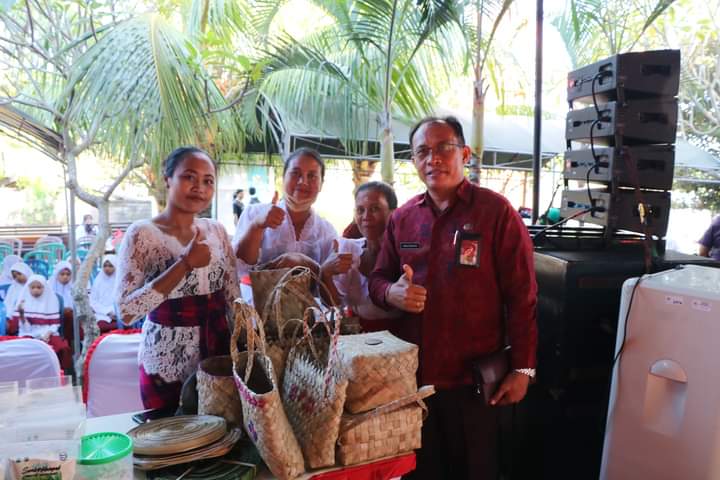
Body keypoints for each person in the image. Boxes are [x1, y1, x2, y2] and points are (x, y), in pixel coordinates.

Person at [368, 116, 538, 479]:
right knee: (421, 471)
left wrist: (523, 368)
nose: (433, 159)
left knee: (475, 470)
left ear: (464, 153)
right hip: (415, 382)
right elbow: (378, 279)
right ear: (413, 161)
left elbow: (522, 295)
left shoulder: (496, 213)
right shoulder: (403, 219)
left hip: (474, 383)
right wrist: (391, 293)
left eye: (443, 148)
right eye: (422, 152)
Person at [116, 146, 240, 411]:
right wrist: (184, 264)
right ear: (167, 178)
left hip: (218, 353)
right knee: (169, 442)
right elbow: (126, 312)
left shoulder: (217, 231)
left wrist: (243, 345)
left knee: (219, 438)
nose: (200, 187)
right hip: (166, 361)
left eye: (208, 181)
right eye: (189, 177)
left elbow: (233, 298)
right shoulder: (142, 234)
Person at [233, 147, 350, 282]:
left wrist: (304, 263)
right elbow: (240, 268)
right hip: (256, 302)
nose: (303, 181)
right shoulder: (254, 213)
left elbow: (331, 287)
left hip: (308, 304)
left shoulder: (326, 232)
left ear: (321, 184)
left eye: (312, 176)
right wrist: (257, 226)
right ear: (283, 178)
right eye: (296, 173)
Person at [329, 181, 400, 331]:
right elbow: (333, 303)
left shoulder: (406, 253)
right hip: (356, 340)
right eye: (360, 210)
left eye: (375, 209)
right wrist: (325, 272)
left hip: (400, 342)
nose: (366, 217)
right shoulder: (348, 249)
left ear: (394, 213)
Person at [7, 274, 73, 371]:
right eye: (32, 287)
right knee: (23, 350)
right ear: (28, 288)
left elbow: (54, 324)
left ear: (44, 288)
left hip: (48, 332)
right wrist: (21, 315)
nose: (36, 290)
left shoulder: (51, 299)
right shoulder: (23, 301)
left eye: (39, 287)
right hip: (29, 333)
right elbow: (25, 328)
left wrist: (48, 333)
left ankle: (58, 372)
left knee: (61, 348)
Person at [49, 260, 82, 350]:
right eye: (62, 274)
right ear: (57, 274)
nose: (65, 277)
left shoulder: (74, 287)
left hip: (72, 315)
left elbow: (79, 303)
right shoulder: (50, 287)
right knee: (68, 315)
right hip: (54, 316)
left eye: (68, 274)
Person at [90, 255, 119, 333]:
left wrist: (114, 312)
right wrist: (107, 312)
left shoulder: (119, 282)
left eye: (110, 266)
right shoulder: (98, 282)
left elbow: (122, 300)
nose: (107, 268)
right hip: (101, 315)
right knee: (101, 327)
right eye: (105, 266)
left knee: (121, 327)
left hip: (117, 315)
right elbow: (93, 301)